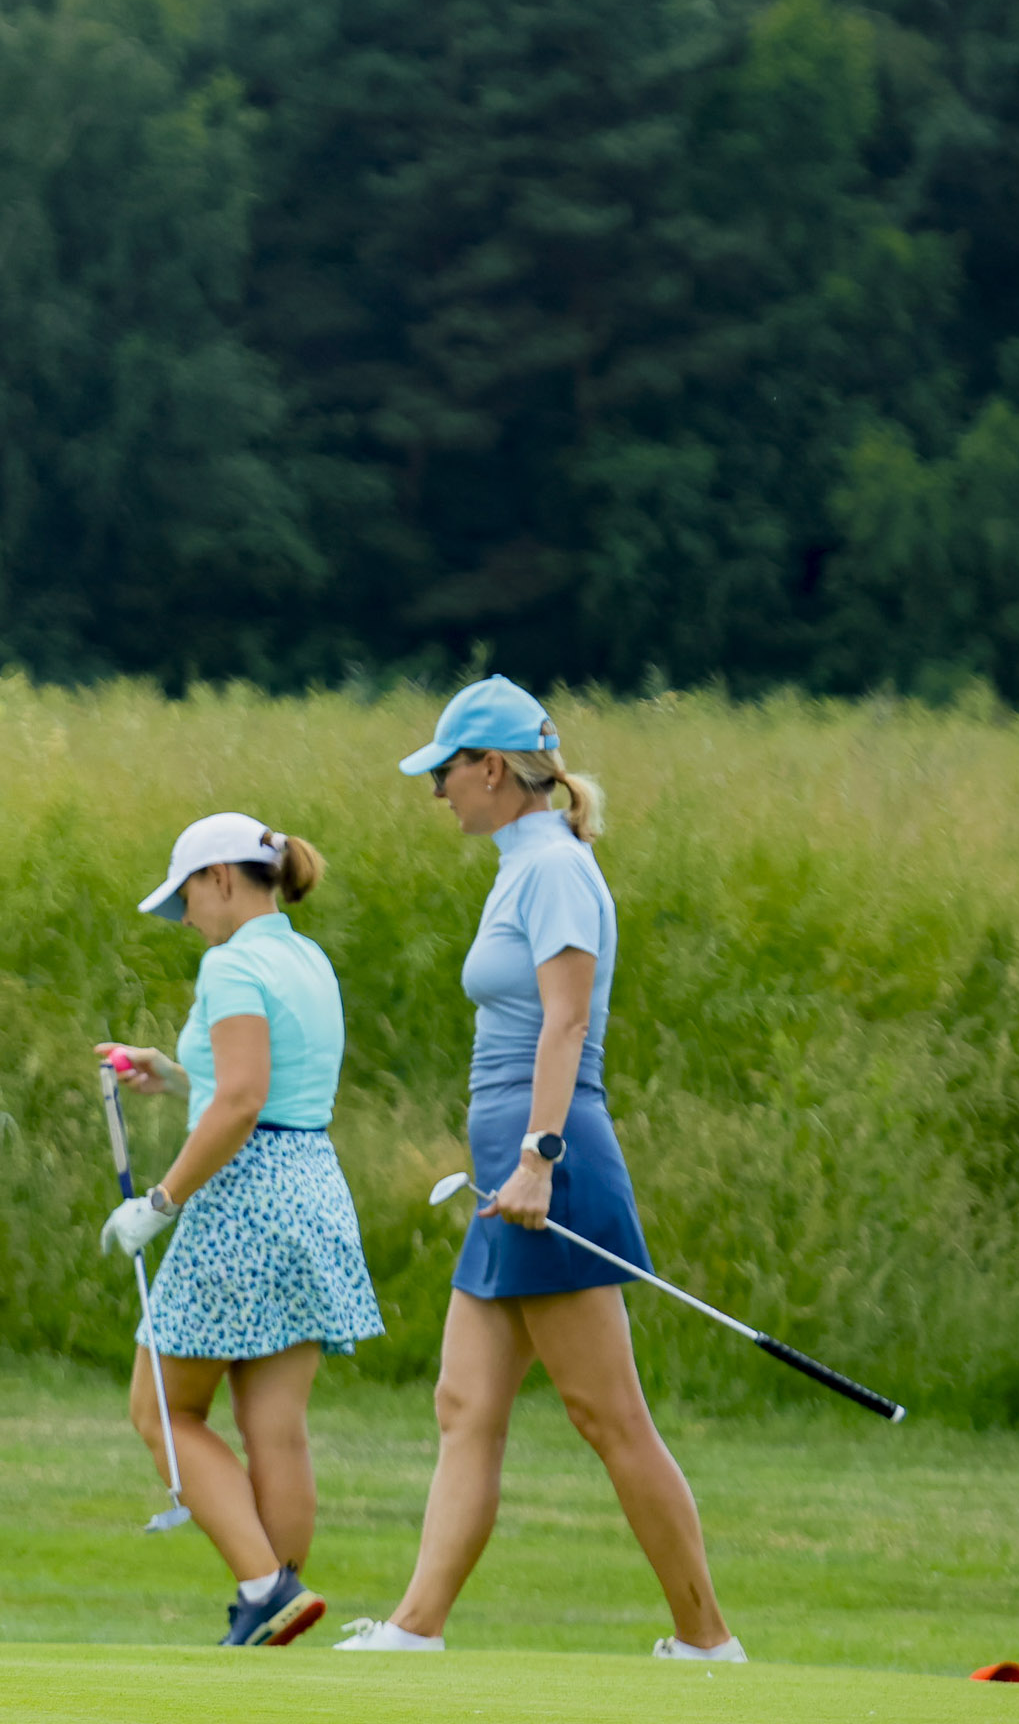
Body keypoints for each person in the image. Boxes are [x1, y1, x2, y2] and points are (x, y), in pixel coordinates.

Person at [334, 677, 744, 1662]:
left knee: (608, 1414)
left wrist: (537, 1159)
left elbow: (566, 1018)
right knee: (464, 1402)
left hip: (548, 1161)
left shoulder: (553, 866)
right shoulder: (525, 863)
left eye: (446, 771)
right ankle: (416, 1626)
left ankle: (708, 1639)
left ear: (490, 768)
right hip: (508, 1163)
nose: (437, 792)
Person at [99, 812, 382, 1651]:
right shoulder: (305, 956)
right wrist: (175, 1073)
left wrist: (161, 1198)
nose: (185, 918)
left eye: (187, 895)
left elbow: (242, 1101)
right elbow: (257, 1085)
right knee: (274, 1426)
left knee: (162, 1410)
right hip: (313, 1192)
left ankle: (265, 1588)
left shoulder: (229, 967)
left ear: (222, 878)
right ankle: (279, 1612)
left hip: (244, 1201)